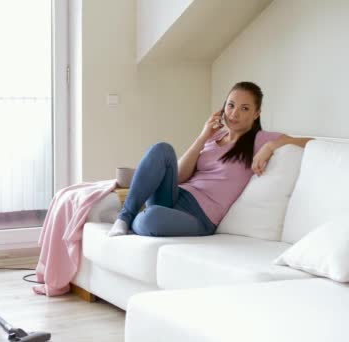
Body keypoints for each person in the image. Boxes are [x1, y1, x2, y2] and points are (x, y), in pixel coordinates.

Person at [108, 81, 313, 237]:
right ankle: (124, 218)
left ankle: (136, 216)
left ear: (257, 113)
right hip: (176, 196)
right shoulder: (215, 136)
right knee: (161, 149)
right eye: (231, 105)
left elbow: (310, 141)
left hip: (199, 217)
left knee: (151, 219)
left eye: (245, 108)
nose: (234, 113)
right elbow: (179, 176)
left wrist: (270, 146)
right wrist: (203, 135)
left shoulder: (260, 139)